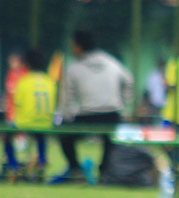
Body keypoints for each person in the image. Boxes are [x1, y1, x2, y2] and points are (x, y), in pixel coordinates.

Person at [53, 30, 134, 184]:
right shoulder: (111, 62)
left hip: (87, 115)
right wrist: (126, 106)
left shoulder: (74, 67)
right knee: (110, 140)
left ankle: (76, 169)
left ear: (78, 46)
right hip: (112, 113)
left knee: (64, 135)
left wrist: (65, 116)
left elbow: (66, 97)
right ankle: (104, 172)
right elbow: (129, 80)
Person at [8, 50, 57, 181]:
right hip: (45, 123)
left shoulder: (23, 82)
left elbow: (18, 103)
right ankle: (41, 161)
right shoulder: (50, 81)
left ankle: (14, 165)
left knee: (6, 136)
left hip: (25, 122)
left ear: (27, 64)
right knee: (40, 136)